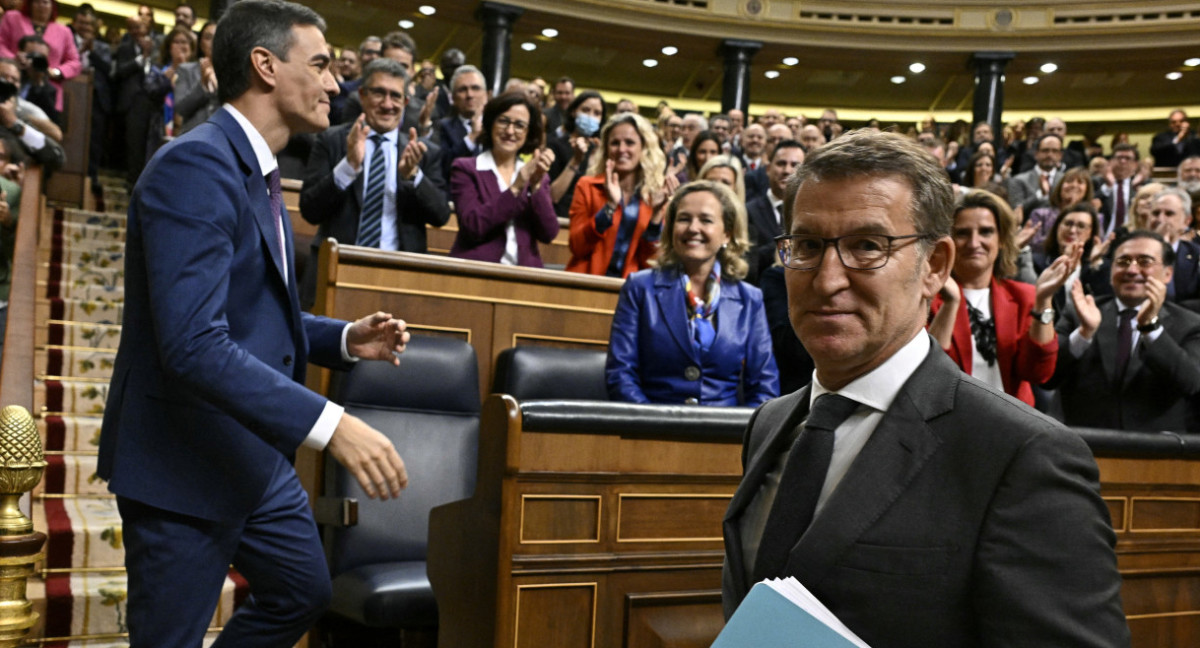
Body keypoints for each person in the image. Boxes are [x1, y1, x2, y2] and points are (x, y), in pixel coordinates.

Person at [721, 130, 1129, 647]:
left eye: (867, 246)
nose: (826, 280)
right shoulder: (771, 423)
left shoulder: (1022, 454)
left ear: (935, 265)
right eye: (806, 246)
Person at [97, 2, 411, 645]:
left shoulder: (257, 172)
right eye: (321, 65)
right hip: (181, 458)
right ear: (265, 67)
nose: (334, 84)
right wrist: (332, 424)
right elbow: (193, 344)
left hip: (250, 454)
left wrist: (343, 338)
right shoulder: (196, 165)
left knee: (302, 591)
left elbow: (248, 310)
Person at [606, 180, 778, 405]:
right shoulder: (639, 288)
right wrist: (650, 428)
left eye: (706, 220)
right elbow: (620, 374)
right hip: (648, 430)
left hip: (724, 435)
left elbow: (765, 388)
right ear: (671, 228)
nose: (693, 228)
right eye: (684, 219)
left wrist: (737, 436)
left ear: (727, 233)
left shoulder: (750, 299)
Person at [300, 57, 449, 305]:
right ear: (362, 95)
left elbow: (441, 215)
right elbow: (310, 210)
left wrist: (413, 176)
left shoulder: (423, 152)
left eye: (395, 96)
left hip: (400, 279)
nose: (387, 104)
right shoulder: (332, 140)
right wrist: (348, 167)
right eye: (379, 93)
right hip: (335, 272)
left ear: (406, 102)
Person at [1047, 230, 1200, 432]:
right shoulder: (1079, 312)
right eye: (1123, 261)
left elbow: (1193, 384)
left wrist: (1151, 328)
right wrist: (1084, 334)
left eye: (1145, 262)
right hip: (1085, 445)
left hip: (1159, 452)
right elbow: (1048, 377)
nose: (1132, 270)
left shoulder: (1190, 323)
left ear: (1167, 274)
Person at [927, 190, 1064, 407]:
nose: (974, 243)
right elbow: (926, 376)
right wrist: (951, 304)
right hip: (948, 422)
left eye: (986, 232)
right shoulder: (926, 297)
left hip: (1013, 424)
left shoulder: (1024, 297)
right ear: (948, 242)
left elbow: (1038, 372)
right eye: (962, 233)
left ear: (1001, 240)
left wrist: (1044, 302)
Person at [448, 91, 558, 266]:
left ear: (528, 132)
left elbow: (549, 233)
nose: (510, 131)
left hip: (524, 278)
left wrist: (536, 187)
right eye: (503, 121)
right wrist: (516, 187)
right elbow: (472, 226)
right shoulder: (466, 168)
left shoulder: (535, 173)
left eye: (520, 125)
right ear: (490, 123)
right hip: (474, 272)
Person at [567, 112, 677, 277]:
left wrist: (656, 215)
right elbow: (578, 247)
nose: (621, 149)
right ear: (606, 149)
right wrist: (609, 207)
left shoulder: (657, 196)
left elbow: (650, 261)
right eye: (615, 143)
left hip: (630, 291)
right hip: (586, 284)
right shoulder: (587, 186)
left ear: (643, 148)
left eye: (630, 143)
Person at [0, 0, 79, 112]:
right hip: (10, 84)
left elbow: (75, 62)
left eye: (45, 2)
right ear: (30, 4)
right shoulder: (13, 18)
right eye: (37, 1)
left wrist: (54, 72)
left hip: (47, 90)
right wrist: (14, 60)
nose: (41, 5)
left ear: (53, 6)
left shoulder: (64, 31)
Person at [547, 89, 604, 219]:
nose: (590, 116)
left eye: (597, 113)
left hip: (588, 222)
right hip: (559, 220)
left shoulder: (600, 150)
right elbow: (552, 196)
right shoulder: (556, 145)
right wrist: (576, 160)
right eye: (585, 110)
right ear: (574, 112)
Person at [1023, 166, 1096, 252]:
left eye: (1080, 182)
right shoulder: (1040, 214)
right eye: (1069, 181)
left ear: (1087, 190)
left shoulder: (1096, 218)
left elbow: (1094, 246)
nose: (1074, 185)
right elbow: (1033, 244)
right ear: (1060, 186)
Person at [173, 21, 218, 134]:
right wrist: (203, 84)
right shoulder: (186, 70)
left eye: (217, 37)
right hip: (192, 135)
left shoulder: (231, 72)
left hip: (220, 136)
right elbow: (181, 108)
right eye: (208, 37)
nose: (213, 42)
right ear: (200, 42)